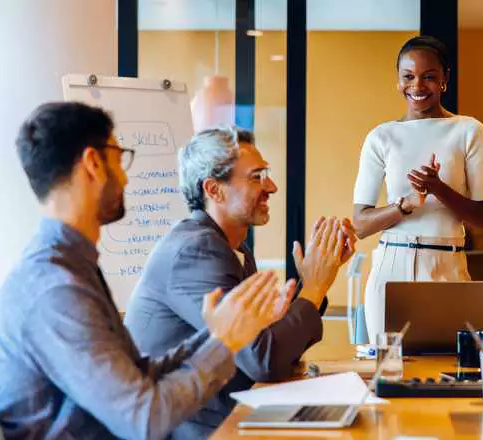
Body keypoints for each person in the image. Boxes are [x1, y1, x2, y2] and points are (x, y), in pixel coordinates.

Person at [0, 102, 291, 439]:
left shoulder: (70, 267)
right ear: (94, 163)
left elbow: (140, 375)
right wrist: (222, 343)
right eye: (120, 158)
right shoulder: (56, 287)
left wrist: (217, 335)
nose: (125, 176)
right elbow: (144, 420)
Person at [124, 127, 355, 438]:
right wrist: (313, 288)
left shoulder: (235, 247)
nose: (271, 186)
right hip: (190, 428)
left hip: (228, 414)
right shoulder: (196, 250)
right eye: (256, 176)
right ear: (214, 190)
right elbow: (262, 359)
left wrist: (313, 284)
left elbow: (267, 342)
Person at [352, 35, 483, 343]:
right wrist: (403, 206)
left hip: (448, 263)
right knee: (388, 370)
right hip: (392, 263)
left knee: (448, 367)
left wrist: (437, 188)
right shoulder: (381, 137)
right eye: (408, 77)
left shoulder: (469, 130)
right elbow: (360, 225)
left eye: (429, 77)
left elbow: (482, 218)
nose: (417, 86)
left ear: (445, 80)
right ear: (398, 81)